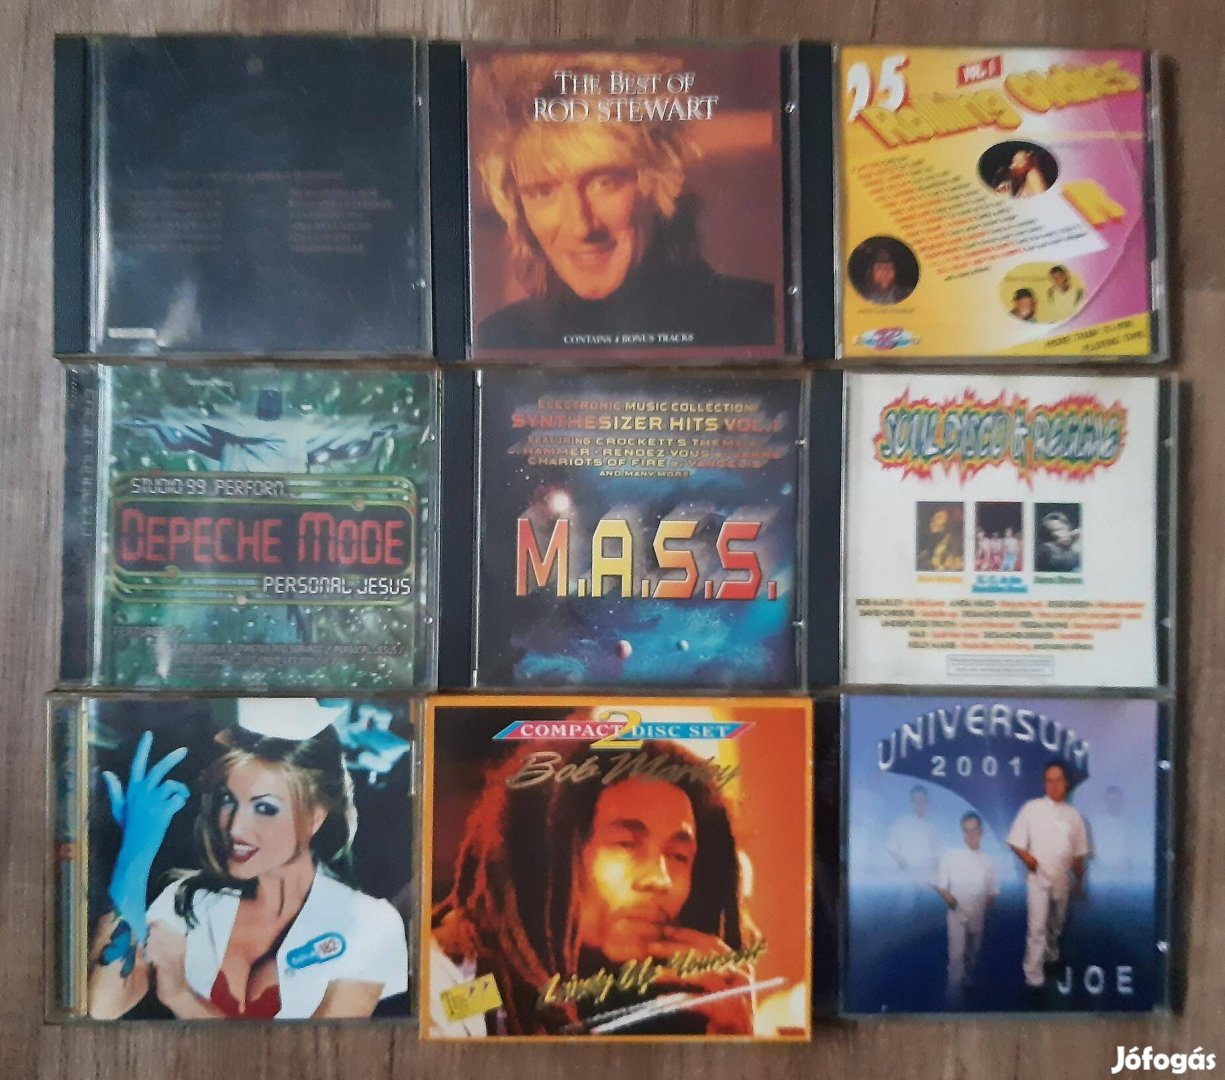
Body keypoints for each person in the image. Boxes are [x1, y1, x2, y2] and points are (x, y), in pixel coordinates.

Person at [87, 700, 409, 1020]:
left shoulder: (369, 923)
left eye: (264, 808)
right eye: (229, 800)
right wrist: (135, 852)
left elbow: (317, 1049)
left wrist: (180, 994)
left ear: (314, 817)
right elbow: (104, 1005)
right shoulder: (189, 900)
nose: (235, 827)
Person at [429, 737, 765, 1037]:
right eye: (626, 844)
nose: (659, 879)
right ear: (546, 855)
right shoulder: (465, 984)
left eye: (679, 856)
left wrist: (730, 1042)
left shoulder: (658, 997)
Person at [469, 53, 776, 350]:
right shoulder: (500, 338)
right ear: (518, 207)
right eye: (543, 192)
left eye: (605, 182)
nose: (581, 227)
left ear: (659, 182)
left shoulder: (759, 318)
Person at [1006, 761, 1090, 992]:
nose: (1054, 785)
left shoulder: (1074, 816)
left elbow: (1079, 854)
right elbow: (1015, 841)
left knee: (1056, 924)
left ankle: (1052, 953)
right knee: (1036, 929)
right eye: (1049, 781)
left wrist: (1080, 882)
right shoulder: (1032, 809)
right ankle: (1033, 976)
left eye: (1058, 780)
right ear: (1045, 783)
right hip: (1038, 880)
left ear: (1066, 784)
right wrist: (1027, 858)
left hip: (1062, 879)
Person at [932, 813, 999, 1006]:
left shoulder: (988, 861)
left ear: (981, 832)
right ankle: (953, 997)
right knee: (956, 956)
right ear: (962, 832)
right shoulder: (951, 856)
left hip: (977, 915)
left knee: (973, 952)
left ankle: (968, 979)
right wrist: (951, 901)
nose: (971, 835)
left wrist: (983, 904)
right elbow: (940, 886)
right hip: (956, 914)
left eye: (974, 830)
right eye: (967, 831)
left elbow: (992, 892)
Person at [884, 785, 941, 917]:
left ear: (927, 801)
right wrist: (905, 866)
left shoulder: (932, 827)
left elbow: (937, 855)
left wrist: (935, 876)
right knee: (905, 912)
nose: (919, 804)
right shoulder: (901, 823)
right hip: (907, 880)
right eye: (916, 800)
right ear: (912, 802)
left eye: (922, 800)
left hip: (928, 879)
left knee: (929, 914)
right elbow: (890, 847)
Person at [918, 508, 964, 572]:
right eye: (933, 519)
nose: (933, 521)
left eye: (939, 517)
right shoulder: (926, 553)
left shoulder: (956, 544)